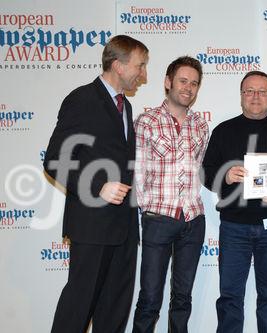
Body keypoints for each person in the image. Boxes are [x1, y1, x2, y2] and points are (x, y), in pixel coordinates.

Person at [43, 35, 148, 333]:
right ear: (118, 65)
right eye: (140, 66)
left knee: (115, 309)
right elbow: (55, 159)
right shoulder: (82, 99)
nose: (143, 74)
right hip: (92, 225)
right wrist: (97, 186)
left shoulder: (125, 107)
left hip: (125, 227)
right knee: (78, 308)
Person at [202, 71, 267, 333]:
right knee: (230, 296)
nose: (256, 97)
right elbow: (206, 173)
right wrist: (226, 175)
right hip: (234, 226)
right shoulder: (223, 130)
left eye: (262, 91)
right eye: (249, 91)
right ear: (241, 95)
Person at [132, 56, 208, 333]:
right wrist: (147, 213)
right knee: (150, 299)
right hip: (158, 219)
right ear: (168, 82)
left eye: (194, 83)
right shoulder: (147, 121)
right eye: (183, 81)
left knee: (183, 299)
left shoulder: (200, 126)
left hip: (193, 219)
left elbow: (199, 169)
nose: (188, 88)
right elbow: (137, 172)